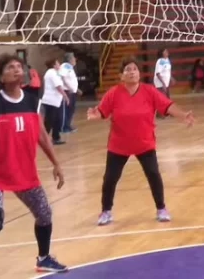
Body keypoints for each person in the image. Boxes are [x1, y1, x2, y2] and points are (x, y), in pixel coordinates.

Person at [0, 53, 67, 279]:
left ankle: (44, 258)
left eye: (18, 66)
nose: (16, 69)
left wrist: (56, 163)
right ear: (1, 77)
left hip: (23, 172)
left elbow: (42, 136)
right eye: (10, 67)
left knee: (45, 214)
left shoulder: (33, 102)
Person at [87, 57, 195, 226]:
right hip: (119, 144)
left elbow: (167, 106)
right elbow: (102, 111)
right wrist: (96, 115)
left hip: (144, 143)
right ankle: (106, 211)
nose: (131, 72)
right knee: (110, 178)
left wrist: (182, 115)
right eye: (127, 69)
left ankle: (161, 208)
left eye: (134, 69)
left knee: (153, 174)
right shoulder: (113, 93)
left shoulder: (149, 91)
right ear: (121, 76)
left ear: (139, 73)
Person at [41, 59, 69, 145]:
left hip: (54, 101)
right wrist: (65, 96)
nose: (59, 65)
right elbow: (58, 86)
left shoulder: (53, 73)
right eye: (58, 63)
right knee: (50, 121)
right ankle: (44, 139)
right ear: (54, 65)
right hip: (51, 101)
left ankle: (55, 138)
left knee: (56, 120)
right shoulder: (52, 73)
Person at [59, 53, 80, 133]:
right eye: (74, 58)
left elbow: (71, 80)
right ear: (70, 59)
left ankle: (68, 125)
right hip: (67, 91)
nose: (75, 59)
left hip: (72, 91)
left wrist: (76, 89)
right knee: (67, 110)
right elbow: (62, 77)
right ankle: (64, 127)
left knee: (71, 109)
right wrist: (70, 87)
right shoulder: (65, 66)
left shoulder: (70, 67)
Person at [154, 49, 172, 118]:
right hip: (160, 83)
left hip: (166, 82)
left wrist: (171, 79)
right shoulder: (160, 61)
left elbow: (167, 71)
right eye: (165, 52)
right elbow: (158, 73)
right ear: (162, 53)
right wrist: (163, 83)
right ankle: (159, 114)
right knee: (162, 98)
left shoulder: (168, 60)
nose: (167, 52)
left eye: (167, 51)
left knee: (167, 98)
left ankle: (168, 112)